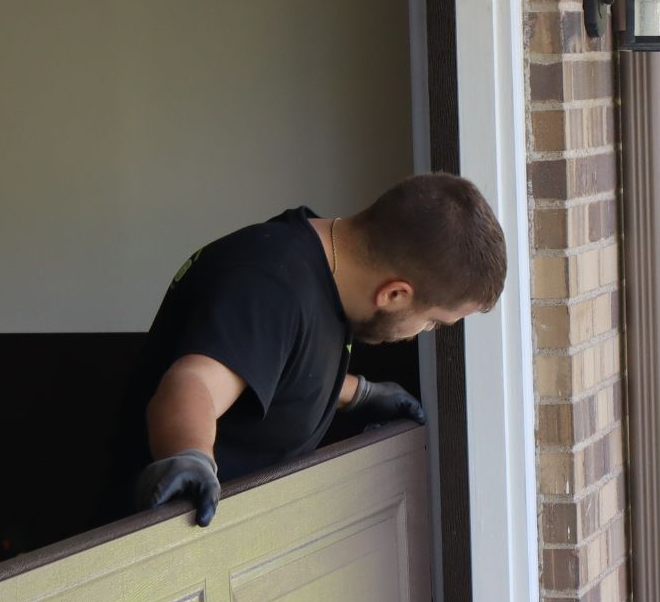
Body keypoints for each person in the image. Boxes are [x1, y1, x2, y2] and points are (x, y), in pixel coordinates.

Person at [110, 172, 507, 527]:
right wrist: (190, 456)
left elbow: (274, 363)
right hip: (165, 548)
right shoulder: (269, 284)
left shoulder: (327, 272)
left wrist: (358, 393)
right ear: (395, 294)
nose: (426, 331)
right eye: (434, 321)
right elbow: (192, 384)